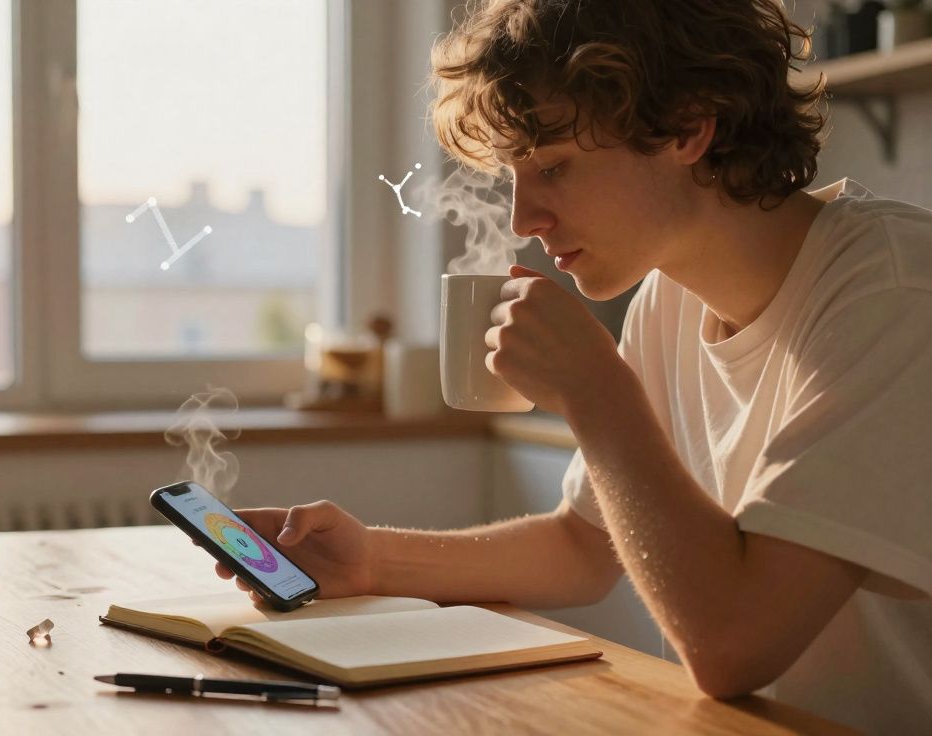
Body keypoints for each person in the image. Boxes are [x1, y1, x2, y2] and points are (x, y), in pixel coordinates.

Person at [216, 1, 931, 731]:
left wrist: (595, 391)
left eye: (554, 166)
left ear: (689, 126)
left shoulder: (896, 292)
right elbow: (584, 545)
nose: (525, 217)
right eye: (516, 174)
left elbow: (734, 649)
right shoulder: (668, 299)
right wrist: (369, 560)